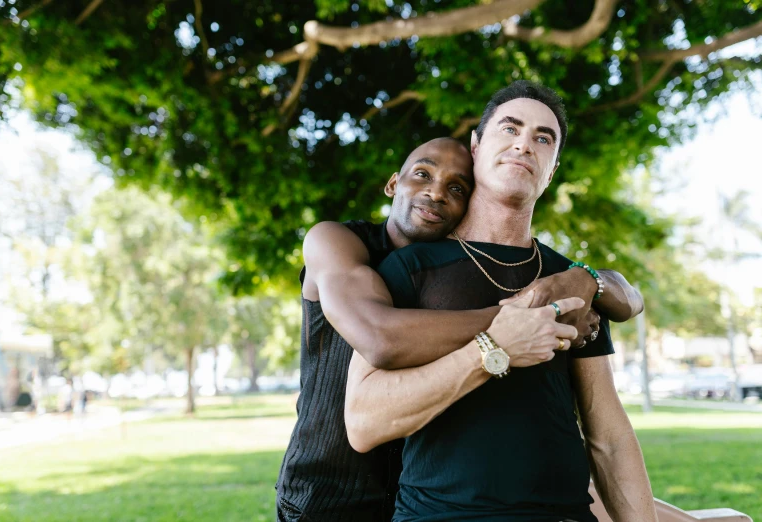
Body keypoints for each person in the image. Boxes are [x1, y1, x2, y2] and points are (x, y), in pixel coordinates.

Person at [275, 134, 643, 522]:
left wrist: (589, 281)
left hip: (417, 493)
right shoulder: (338, 241)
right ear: (392, 183)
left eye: (457, 188)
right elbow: (379, 338)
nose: (436, 193)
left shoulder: (466, 275)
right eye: (422, 174)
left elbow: (629, 299)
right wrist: (538, 313)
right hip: (329, 489)